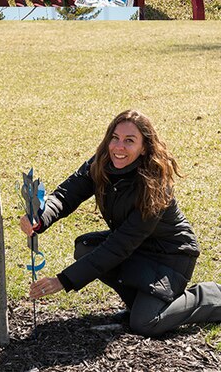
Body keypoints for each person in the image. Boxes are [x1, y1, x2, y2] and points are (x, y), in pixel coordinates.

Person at [23, 110, 221, 336]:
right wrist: (40, 218)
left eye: (129, 141)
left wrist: (63, 281)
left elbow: (119, 246)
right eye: (114, 138)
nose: (119, 147)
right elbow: (65, 196)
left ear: (144, 147)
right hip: (136, 248)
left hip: (170, 255)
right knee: (86, 248)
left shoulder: (155, 187)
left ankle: (209, 296)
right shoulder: (100, 164)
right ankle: (139, 302)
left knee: (146, 323)